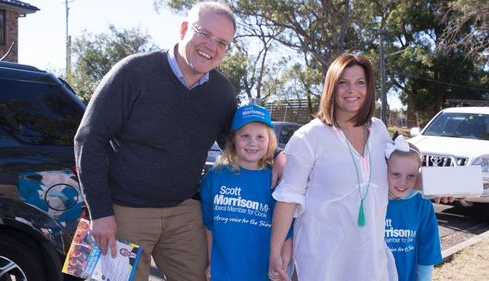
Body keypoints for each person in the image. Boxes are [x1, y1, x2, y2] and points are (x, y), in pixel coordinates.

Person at [74, 2, 238, 281]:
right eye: (205, 34)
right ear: (184, 28)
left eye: (222, 43)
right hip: (124, 211)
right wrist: (99, 213)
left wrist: (276, 158)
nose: (212, 47)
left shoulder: (222, 93)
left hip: (184, 211)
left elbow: (237, 146)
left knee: (210, 276)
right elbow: (88, 140)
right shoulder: (133, 72)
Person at [269, 54, 398, 281]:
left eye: (360, 82)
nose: (352, 90)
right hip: (322, 263)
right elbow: (288, 197)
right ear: (331, 86)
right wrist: (275, 252)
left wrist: (436, 187)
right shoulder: (309, 136)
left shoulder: (379, 130)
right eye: (343, 82)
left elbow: (398, 179)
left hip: (370, 261)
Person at [200, 104, 293, 281]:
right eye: (245, 136)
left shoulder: (276, 179)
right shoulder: (215, 176)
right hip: (224, 272)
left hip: (263, 272)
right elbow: (209, 225)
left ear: (270, 141)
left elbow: (287, 229)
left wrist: (282, 264)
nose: (252, 143)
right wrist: (212, 262)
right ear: (234, 139)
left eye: (260, 137)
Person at [384, 135, 442, 281]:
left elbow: (427, 253)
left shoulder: (422, 205)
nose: (403, 182)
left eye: (411, 175)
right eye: (396, 174)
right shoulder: (372, 201)